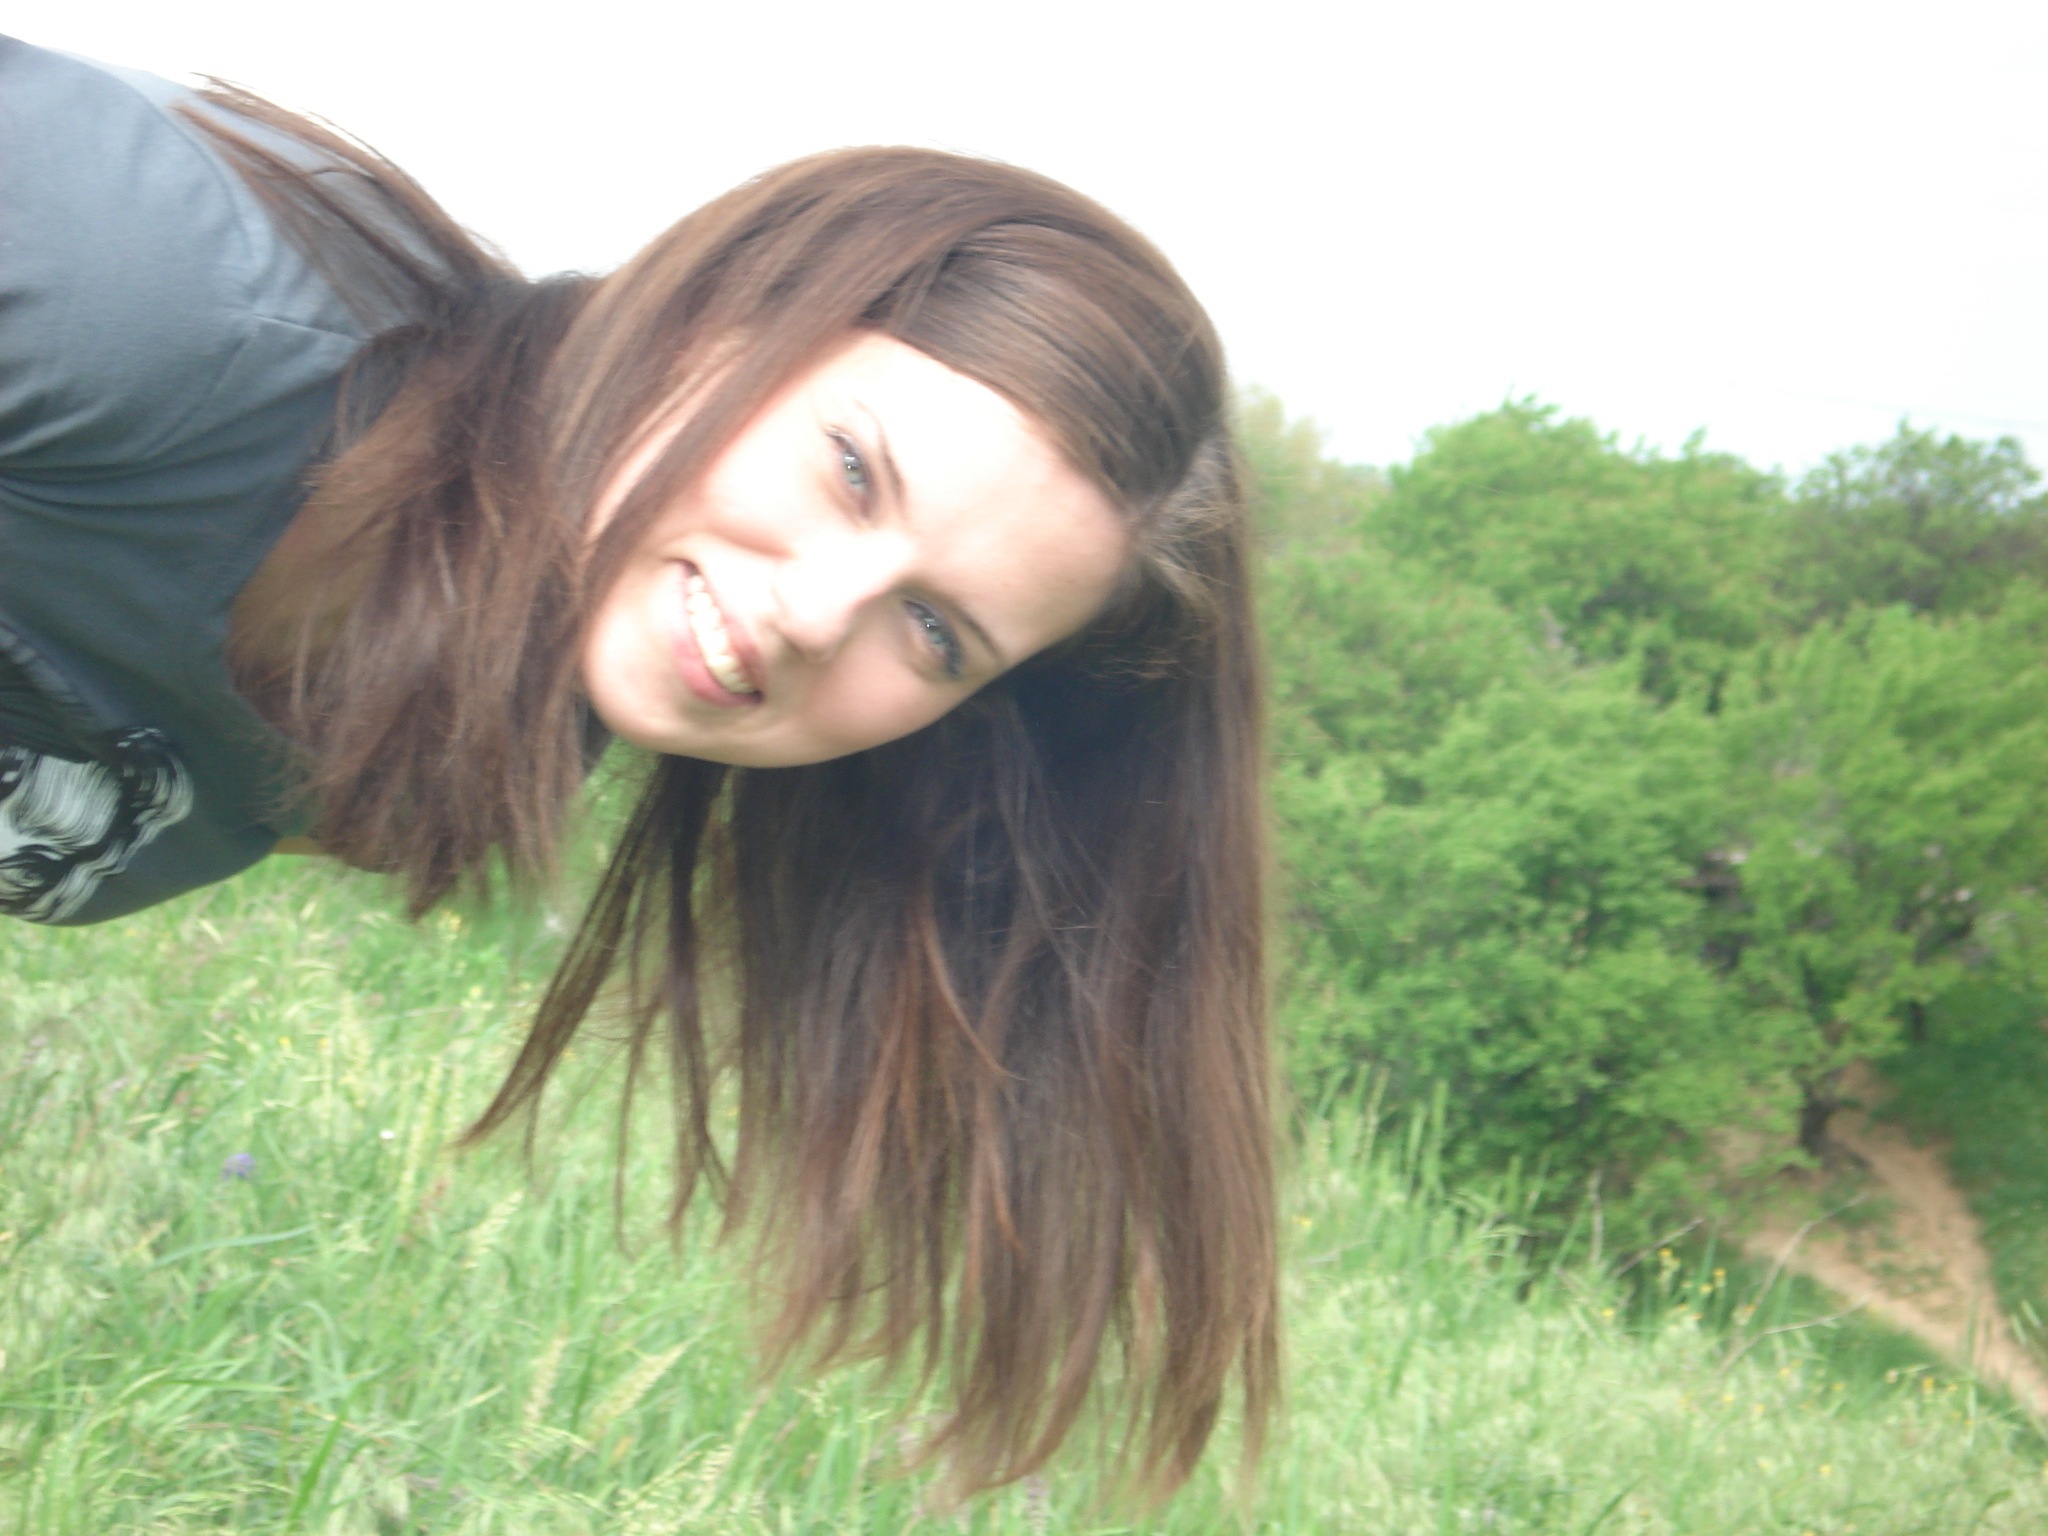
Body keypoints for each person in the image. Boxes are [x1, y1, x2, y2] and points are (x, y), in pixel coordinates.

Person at [0, 36, 1276, 1497]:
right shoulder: (142, 300)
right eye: (851, 470)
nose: (817, 615)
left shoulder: (482, 710)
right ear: (719, 317)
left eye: (935, 632)